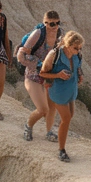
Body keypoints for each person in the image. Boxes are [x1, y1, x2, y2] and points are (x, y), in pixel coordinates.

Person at [19, 11, 64, 143]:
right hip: (33, 75)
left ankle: (49, 131)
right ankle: (28, 126)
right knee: (43, 109)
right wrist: (38, 64)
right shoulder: (38, 34)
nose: (55, 26)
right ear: (45, 23)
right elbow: (23, 54)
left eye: (57, 23)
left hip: (49, 75)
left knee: (52, 106)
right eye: (52, 24)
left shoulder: (60, 34)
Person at [38, 31, 83, 162]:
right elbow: (42, 73)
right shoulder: (54, 55)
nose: (78, 50)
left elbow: (78, 66)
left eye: (80, 48)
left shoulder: (77, 55)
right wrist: (58, 75)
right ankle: (61, 150)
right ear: (68, 45)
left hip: (71, 89)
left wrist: (80, 75)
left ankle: (60, 131)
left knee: (69, 116)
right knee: (66, 118)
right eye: (76, 48)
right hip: (58, 90)